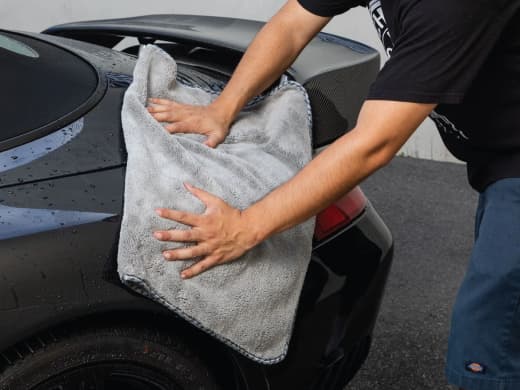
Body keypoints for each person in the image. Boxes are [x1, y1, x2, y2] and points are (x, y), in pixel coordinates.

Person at [147, 0, 520, 389]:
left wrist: (247, 225)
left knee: (489, 345)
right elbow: (293, 22)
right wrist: (222, 109)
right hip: (496, 160)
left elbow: (374, 142)